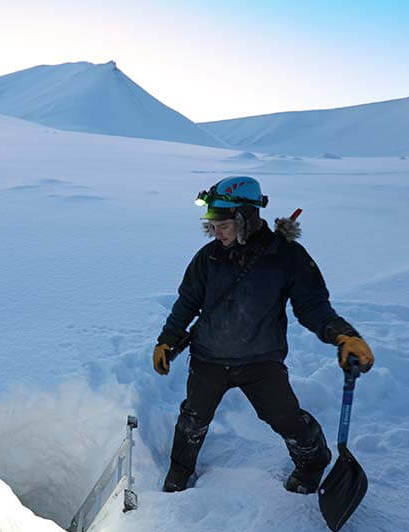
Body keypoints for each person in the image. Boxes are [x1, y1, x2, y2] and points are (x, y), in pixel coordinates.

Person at [153, 176, 374, 494]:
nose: (217, 233)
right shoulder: (209, 257)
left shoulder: (286, 257)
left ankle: (312, 462)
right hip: (208, 358)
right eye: (212, 225)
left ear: (245, 217)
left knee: (285, 418)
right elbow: (188, 301)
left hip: (261, 361)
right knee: (193, 420)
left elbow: (312, 306)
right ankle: (179, 471)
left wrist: (343, 335)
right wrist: (167, 339)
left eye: (224, 225)